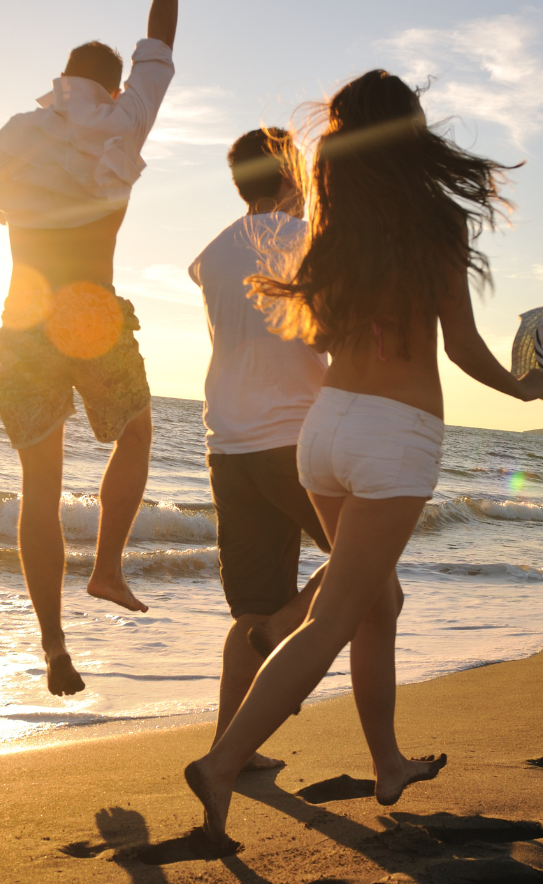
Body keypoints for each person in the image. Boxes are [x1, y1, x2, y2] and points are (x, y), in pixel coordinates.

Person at [183, 71, 543, 844]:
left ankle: (386, 763)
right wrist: (526, 390)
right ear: (412, 133)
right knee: (333, 617)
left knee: (376, 604)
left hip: (325, 431)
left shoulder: (330, 224)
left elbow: (317, 336)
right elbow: (461, 345)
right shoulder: (437, 224)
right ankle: (222, 762)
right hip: (395, 435)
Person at [0, 0, 185, 696]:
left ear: (61, 77)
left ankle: (53, 643)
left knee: (38, 489)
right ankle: (108, 567)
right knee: (135, 433)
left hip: (24, 320)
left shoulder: (22, 134)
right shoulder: (123, 123)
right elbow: (159, 44)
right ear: (114, 84)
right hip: (89, 314)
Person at [189, 128, 332, 768]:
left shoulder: (212, 253)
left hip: (229, 444)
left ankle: (231, 747)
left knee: (249, 606)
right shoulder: (308, 243)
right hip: (295, 439)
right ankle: (280, 633)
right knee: (367, 566)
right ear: (290, 177)